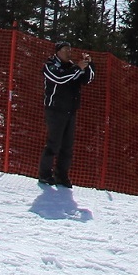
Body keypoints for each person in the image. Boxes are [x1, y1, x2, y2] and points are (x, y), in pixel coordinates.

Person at [39, 43, 95, 188]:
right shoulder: (50, 65)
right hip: (55, 109)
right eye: (65, 50)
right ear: (58, 52)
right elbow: (59, 78)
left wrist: (88, 65)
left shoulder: (73, 67)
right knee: (53, 143)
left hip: (70, 110)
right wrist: (77, 68)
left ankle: (61, 175)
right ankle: (45, 174)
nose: (69, 52)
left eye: (70, 50)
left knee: (67, 146)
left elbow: (87, 80)